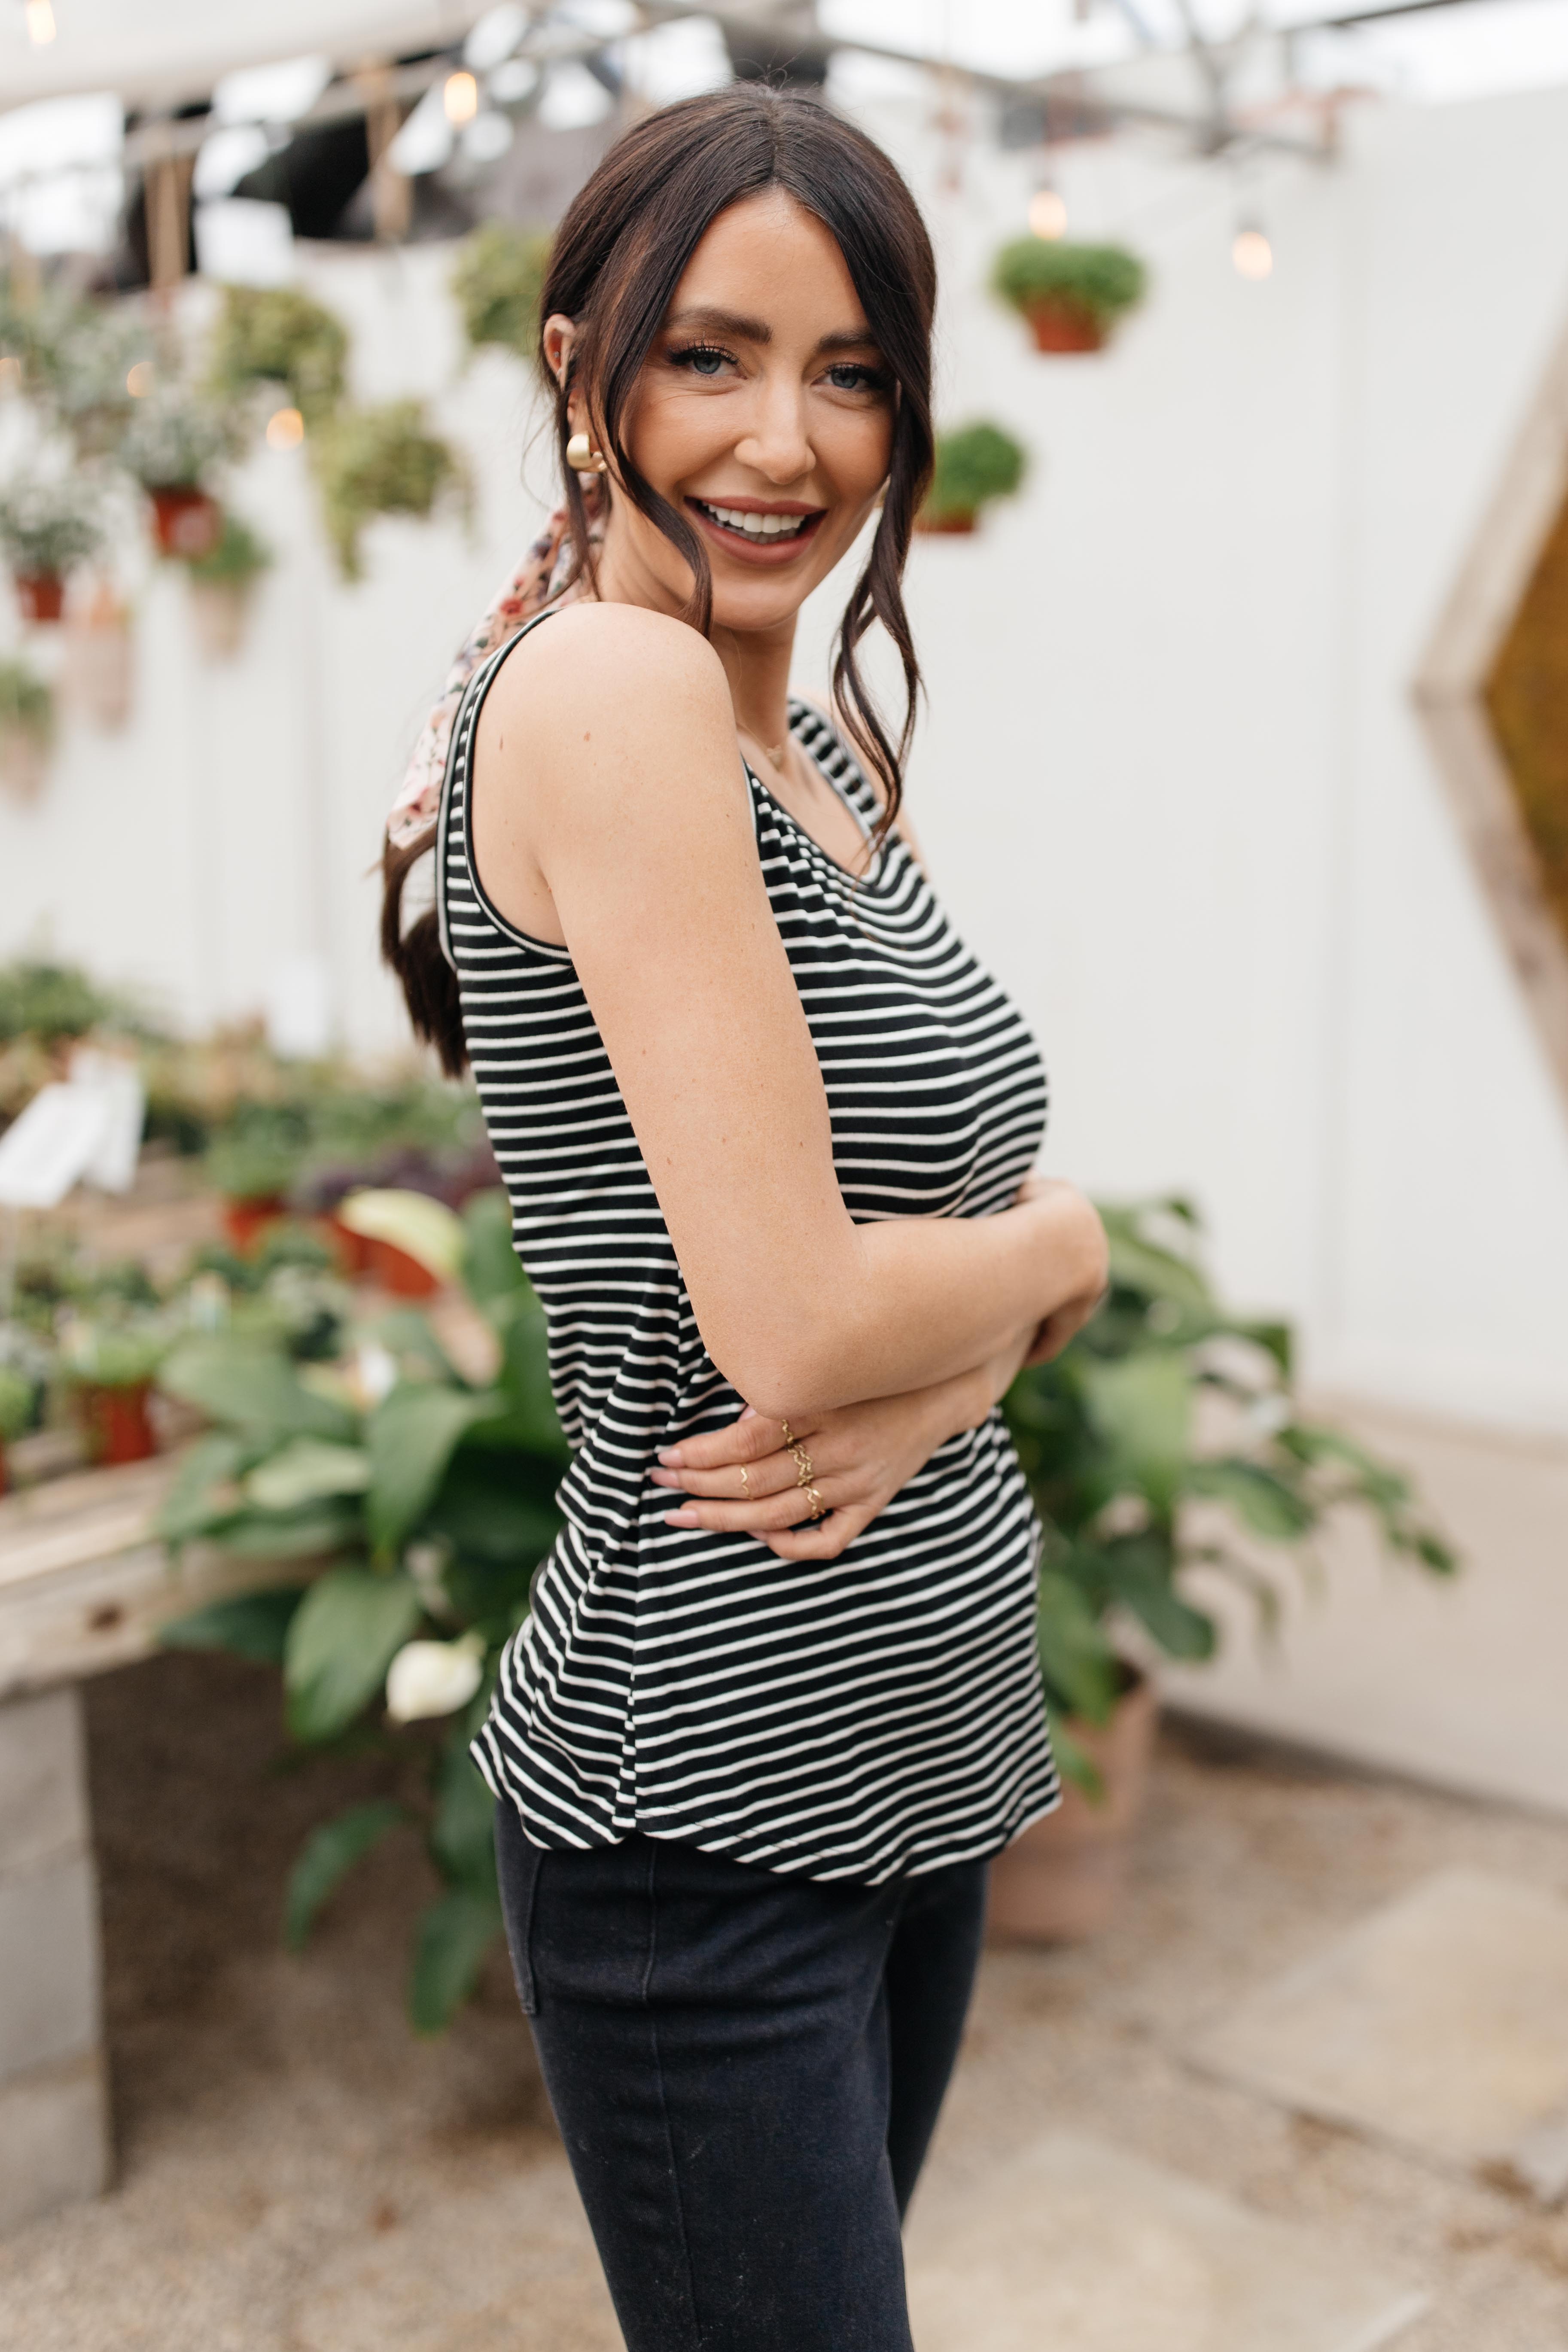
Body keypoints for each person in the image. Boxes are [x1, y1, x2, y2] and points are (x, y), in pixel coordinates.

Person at [383, 82, 1107, 2352]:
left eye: (850, 371)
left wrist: (955, 1364)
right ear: (576, 367)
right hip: (705, 1818)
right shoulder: (612, 690)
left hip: (909, 1760)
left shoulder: (817, 745)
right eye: (710, 355)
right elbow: (796, 1316)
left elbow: (912, 1250)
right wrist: (1065, 1261)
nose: (785, 441)